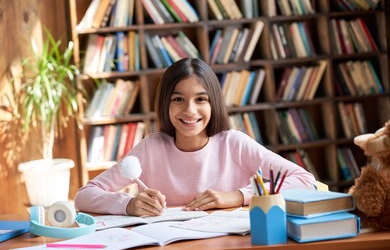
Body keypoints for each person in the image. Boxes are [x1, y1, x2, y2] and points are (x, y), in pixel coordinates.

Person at [74, 58, 316, 217]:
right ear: (165, 104)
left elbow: (306, 181)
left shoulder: (234, 144)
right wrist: (127, 204)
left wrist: (238, 195)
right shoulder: (151, 148)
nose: (190, 110)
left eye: (201, 99)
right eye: (178, 99)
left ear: (213, 103)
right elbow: (84, 196)